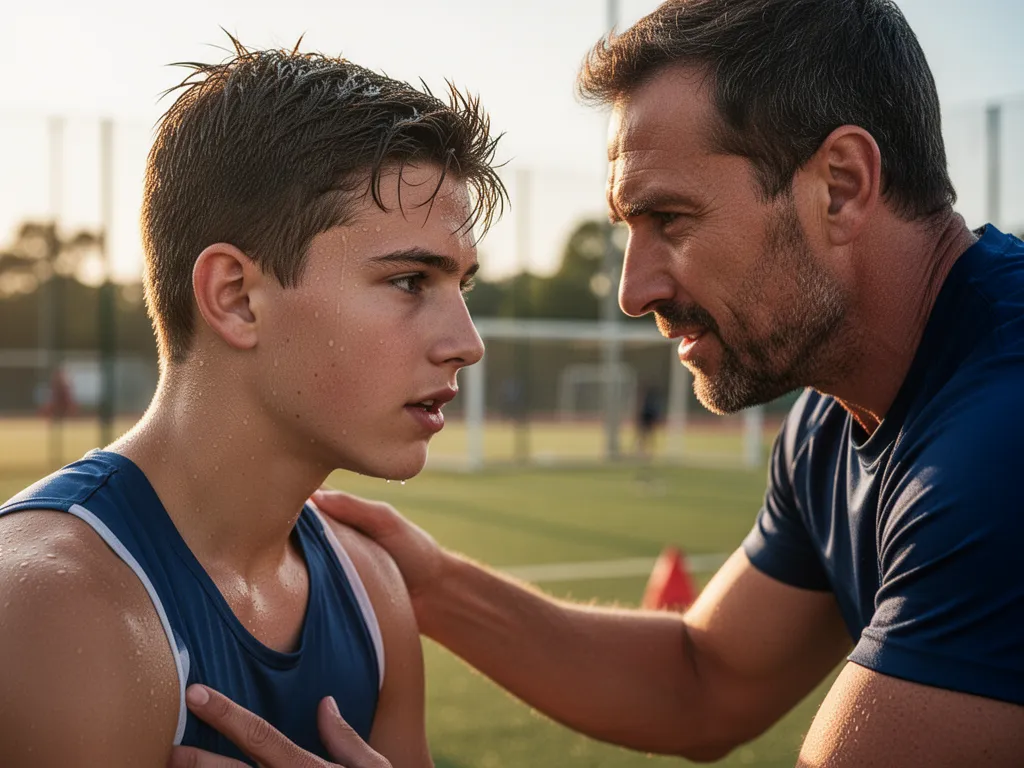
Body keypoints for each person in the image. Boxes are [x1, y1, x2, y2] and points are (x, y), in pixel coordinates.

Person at [178, 1, 1024, 766]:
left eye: (670, 220)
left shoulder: (999, 444)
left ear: (840, 185)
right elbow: (705, 682)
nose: (634, 290)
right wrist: (427, 583)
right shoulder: (836, 422)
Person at [0, 39, 505, 767]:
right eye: (409, 282)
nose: (467, 342)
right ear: (236, 298)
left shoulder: (372, 590)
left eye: (464, 286)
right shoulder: (53, 609)